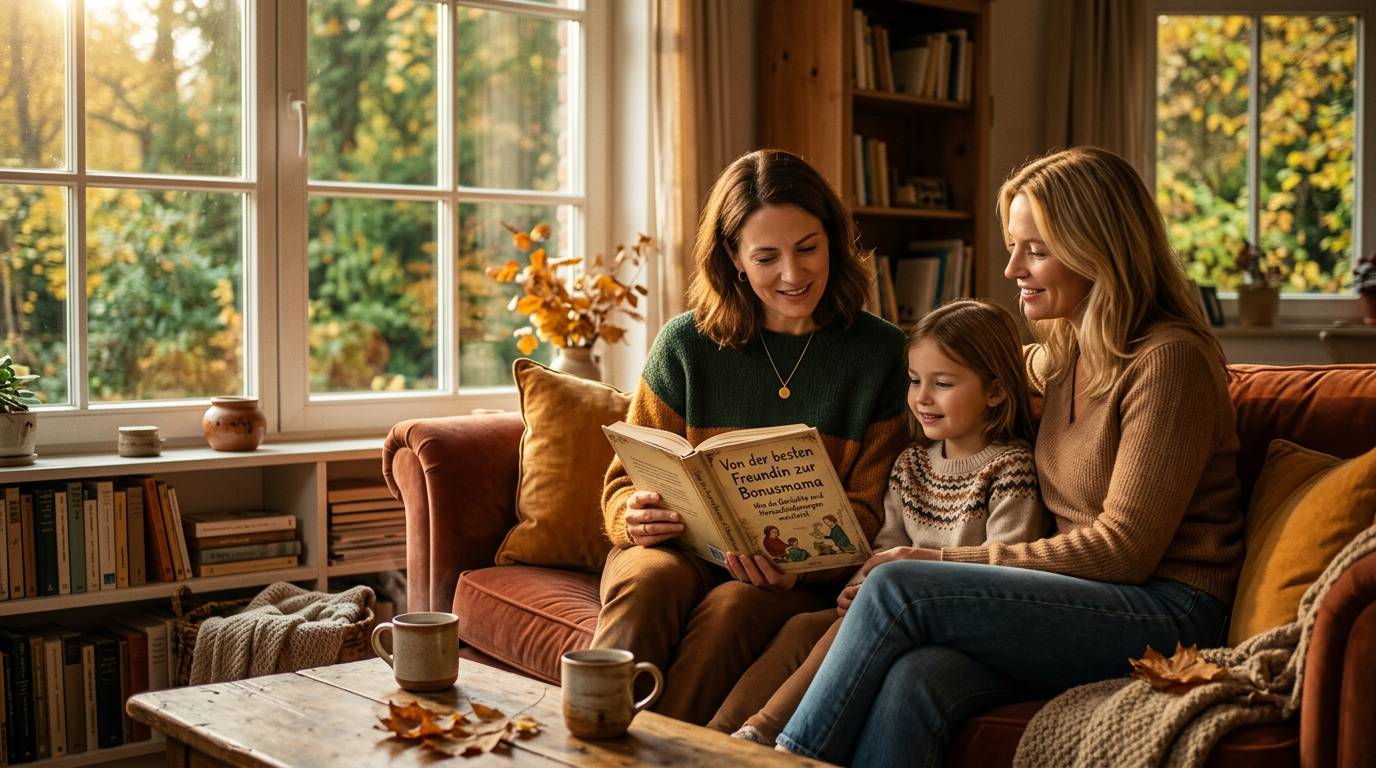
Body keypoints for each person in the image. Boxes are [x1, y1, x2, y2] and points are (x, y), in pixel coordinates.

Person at [776, 146, 1245, 766]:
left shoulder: (1168, 362)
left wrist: (937, 560)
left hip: (1167, 613)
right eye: (1013, 245)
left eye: (1036, 250)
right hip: (1084, 600)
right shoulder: (1063, 356)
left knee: (899, 586)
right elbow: (967, 368)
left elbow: (1124, 550)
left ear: (1098, 250)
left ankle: (775, 757)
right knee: (919, 676)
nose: (1011, 268)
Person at [591, 149, 911, 725]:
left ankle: (666, 758)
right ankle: (589, 739)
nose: (793, 274)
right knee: (646, 580)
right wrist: (630, 516)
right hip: (679, 549)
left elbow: (868, 510)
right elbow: (622, 481)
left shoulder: (882, 355)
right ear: (734, 259)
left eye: (808, 248)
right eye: (766, 257)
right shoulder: (685, 344)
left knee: (734, 607)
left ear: (834, 241)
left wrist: (803, 569)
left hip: (788, 573)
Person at [713, 299, 1048, 746]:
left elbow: (1002, 564)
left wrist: (883, 588)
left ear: (995, 391)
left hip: (952, 617)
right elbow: (883, 546)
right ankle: (714, 736)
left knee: (841, 631)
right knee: (801, 627)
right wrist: (857, 584)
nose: (922, 398)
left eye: (942, 383)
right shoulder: (911, 464)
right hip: (889, 608)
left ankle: (760, 732)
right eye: (914, 381)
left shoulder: (1011, 468)